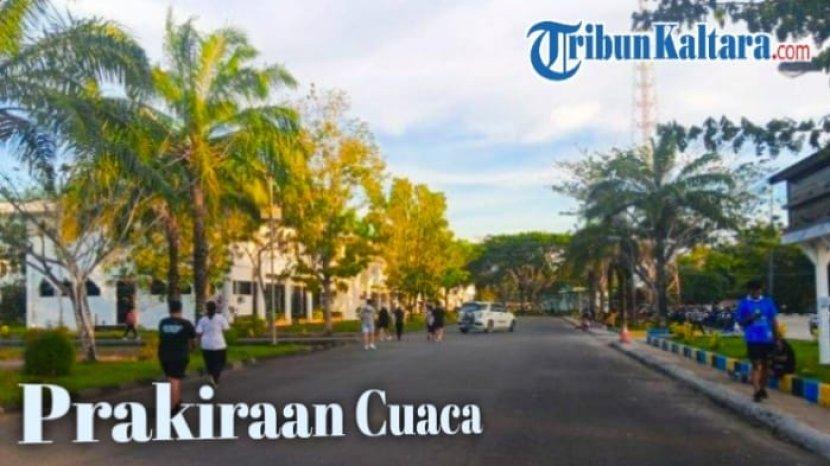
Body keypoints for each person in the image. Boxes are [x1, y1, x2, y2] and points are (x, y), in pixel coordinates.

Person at [734, 280, 779, 403]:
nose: (757, 292)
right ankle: (756, 390)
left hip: (767, 338)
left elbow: (773, 320)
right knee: (756, 364)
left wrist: (777, 337)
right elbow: (740, 321)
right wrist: (751, 318)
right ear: (749, 290)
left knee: (766, 365)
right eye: (754, 289)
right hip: (753, 338)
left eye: (758, 289)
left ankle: (762, 388)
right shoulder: (744, 303)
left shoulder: (768, 302)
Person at [157, 300, 196, 413]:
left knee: (173, 378)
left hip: (164, 355)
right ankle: (174, 407)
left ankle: (178, 401)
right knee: (175, 379)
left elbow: (162, 337)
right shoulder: (186, 324)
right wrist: (192, 349)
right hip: (180, 355)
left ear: (169, 310)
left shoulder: (163, 322)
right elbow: (193, 341)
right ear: (181, 309)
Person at [196, 301, 230, 387]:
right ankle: (215, 380)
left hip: (206, 345)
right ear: (215, 309)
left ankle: (210, 376)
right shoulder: (221, 318)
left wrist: (198, 343)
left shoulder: (202, 320)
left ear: (207, 309)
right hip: (219, 345)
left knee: (209, 363)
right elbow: (226, 329)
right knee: (220, 363)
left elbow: (199, 332)